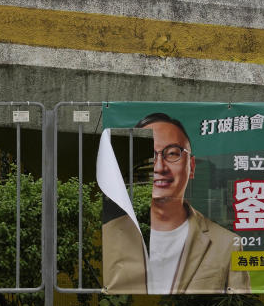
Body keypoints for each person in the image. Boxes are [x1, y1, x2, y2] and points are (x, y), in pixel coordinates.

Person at [102, 112, 250, 294]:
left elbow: (239, 303)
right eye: (150, 155)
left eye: (172, 154)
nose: (159, 167)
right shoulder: (109, 233)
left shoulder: (227, 244)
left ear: (192, 166)